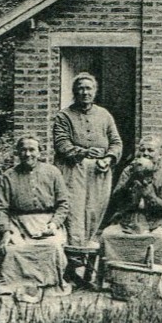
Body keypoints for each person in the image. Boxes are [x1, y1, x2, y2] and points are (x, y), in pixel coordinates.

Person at [0, 136, 71, 304]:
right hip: (18, 224)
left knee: (53, 246)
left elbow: (63, 204)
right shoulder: (8, 176)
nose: (28, 154)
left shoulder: (53, 172)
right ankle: (17, 285)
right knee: (13, 249)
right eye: (24, 150)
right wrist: (5, 231)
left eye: (32, 150)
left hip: (47, 221)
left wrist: (54, 223)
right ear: (18, 153)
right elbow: (1, 208)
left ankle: (49, 284)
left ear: (39, 152)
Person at [51, 73, 121, 246]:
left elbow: (116, 142)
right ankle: (74, 256)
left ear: (95, 91)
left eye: (88, 88)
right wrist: (83, 152)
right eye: (80, 88)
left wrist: (109, 158)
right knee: (74, 212)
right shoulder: (64, 116)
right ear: (75, 91)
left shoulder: (104, 115)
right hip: (73, 171)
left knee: (94, 211)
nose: (85, 92)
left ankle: (87, 251)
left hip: (99, 173)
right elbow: (61, 144)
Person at [99, 137, 162, 269]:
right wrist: (130, 181)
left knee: (159, 239)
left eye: (150, 150)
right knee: (107, 235)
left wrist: (149, 195)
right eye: (142, 149)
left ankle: (161, 274)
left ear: (161, 154)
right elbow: (115, 200)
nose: (145, 153)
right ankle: (115, 273)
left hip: (156, 223)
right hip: (128, 221)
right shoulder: (129, 171)